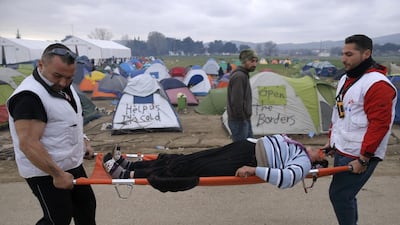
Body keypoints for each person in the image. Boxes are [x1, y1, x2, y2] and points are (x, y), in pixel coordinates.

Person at [7, 43, 97, 225]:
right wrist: (57, 174)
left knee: (86, 206)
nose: (63, 83)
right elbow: (28, 143)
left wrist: (84, 141)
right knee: (58, 217)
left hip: (71, 162)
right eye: (57, 76)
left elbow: (70, 119)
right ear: (41, 65)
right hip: (44, 170)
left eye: (69, 77)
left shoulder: (64, 85)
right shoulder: (29, 97)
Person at [325, 34, 397, 225]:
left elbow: (379, 125)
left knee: (340, 195)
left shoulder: (377, 85)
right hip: (343, 149)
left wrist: (364, 158)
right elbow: (339, 113)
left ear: (366, 54)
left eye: (349, 54)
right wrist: (331, 140)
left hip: (360, 154)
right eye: (342, 54)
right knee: (344, 196)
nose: (343, 59)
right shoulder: (346, 79)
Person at [103, 134, 328, 192]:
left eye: (322, 152)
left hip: (246, 160)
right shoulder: (299, 147)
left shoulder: (303, 163)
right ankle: (129, 166)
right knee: (185, 160)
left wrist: (253, 169)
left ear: (319, 161)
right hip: (242, 149)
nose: (320, 148)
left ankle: (126, 175)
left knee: (186, 169)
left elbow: (286, 180)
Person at [227, 49, 258, 142]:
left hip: (243, 119)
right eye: (252, 61)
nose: (255, 64)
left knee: (248, 147)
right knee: (241, 150)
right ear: (245, 61)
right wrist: (242, 118)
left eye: (256, 61)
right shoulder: (239, 77)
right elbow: (236, 101)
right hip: (239, 121)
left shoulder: (243, 75)